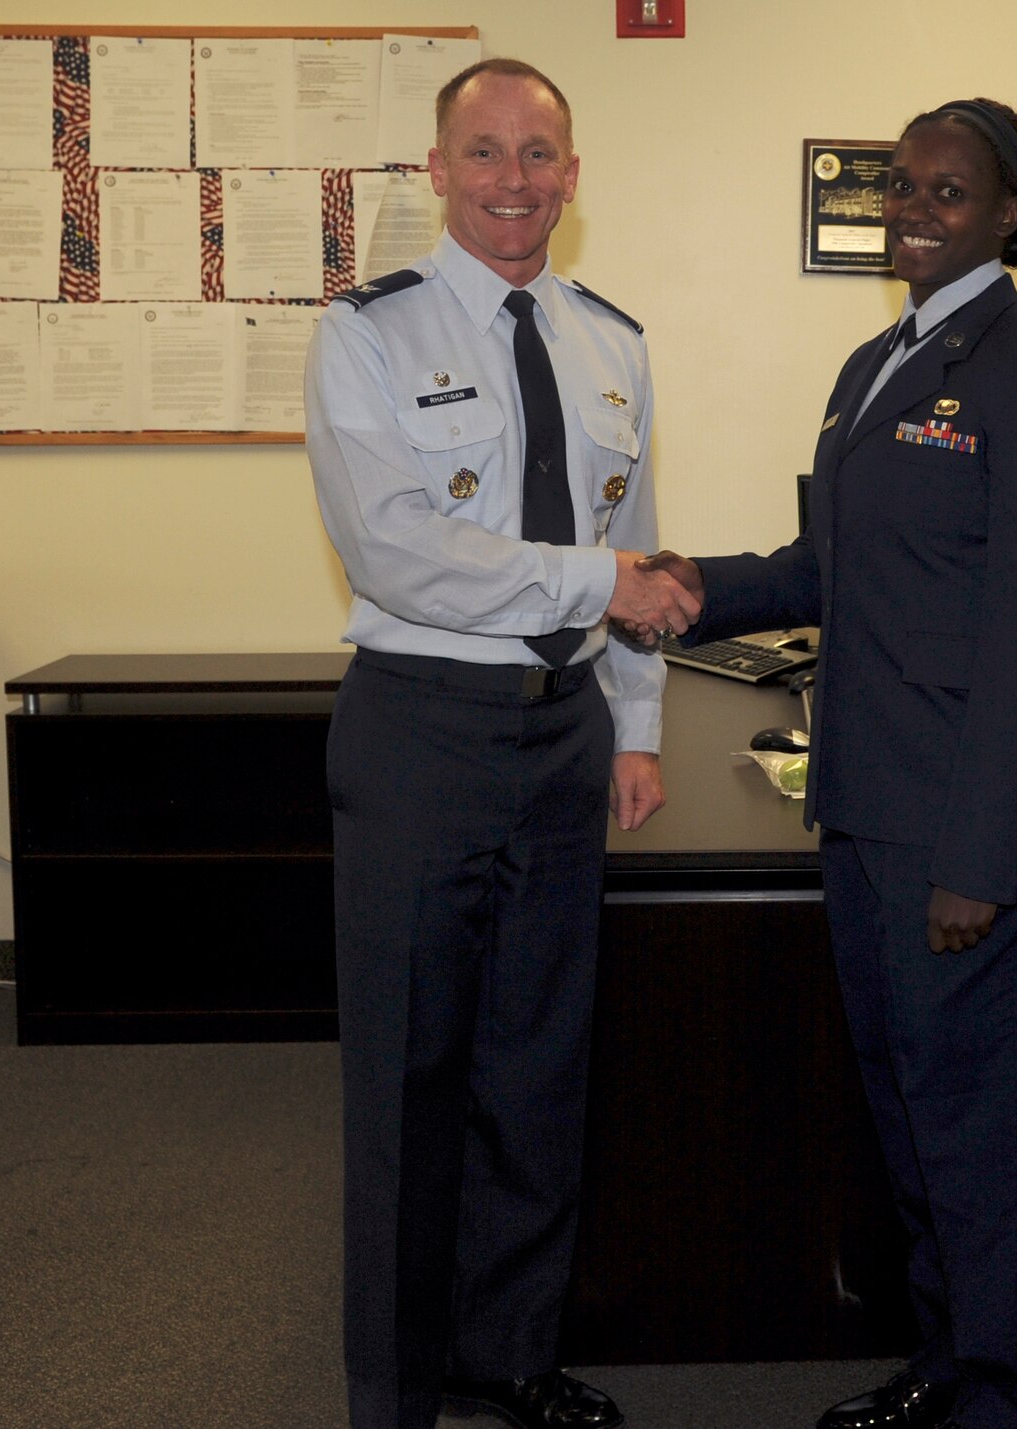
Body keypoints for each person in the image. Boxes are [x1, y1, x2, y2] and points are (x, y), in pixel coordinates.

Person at [630, 99, 1017, 1429]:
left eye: (947, 191)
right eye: (902, 185)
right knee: (912, 1124)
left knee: (978, 1142)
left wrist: (979, 862)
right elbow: (821, 571)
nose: (914, 207)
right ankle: (951, 1363)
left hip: (963, 836)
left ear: (1009, 215)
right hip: (864, 813)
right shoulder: (873, 363)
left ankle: (1009, 1403)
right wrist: (687, 587)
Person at [304, 57, 699, 1429]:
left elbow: (636, 533)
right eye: (485, 153)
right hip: (422, 731)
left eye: (540, 154)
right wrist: (600, 591)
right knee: (411, 1079)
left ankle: (510, 1355)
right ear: (438, 170)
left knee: (539, 1068)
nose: (514, 182)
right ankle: (398, 1390)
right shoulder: (367, 333)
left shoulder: (613, 339)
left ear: (574, 176)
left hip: (563, 739)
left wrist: (636, 724)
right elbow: (400, 551)